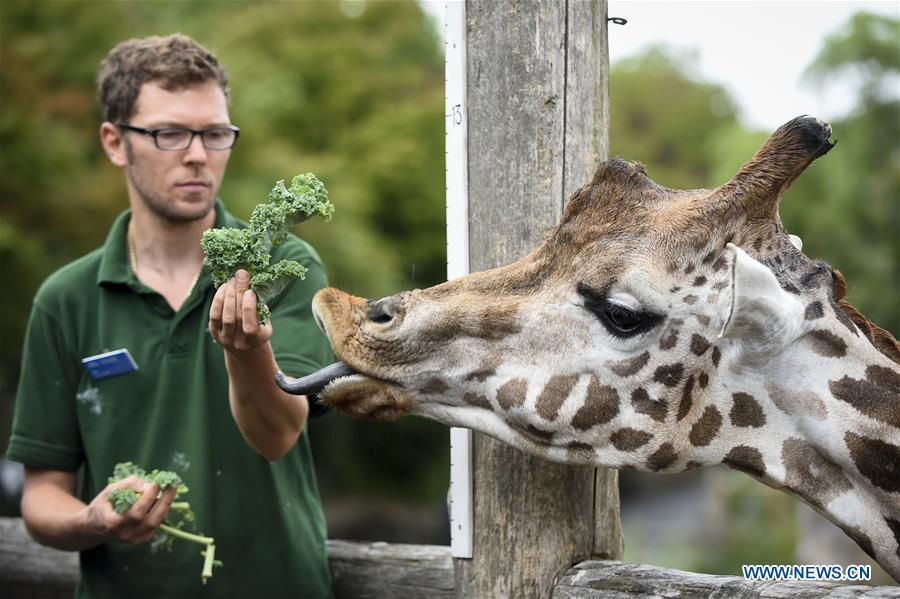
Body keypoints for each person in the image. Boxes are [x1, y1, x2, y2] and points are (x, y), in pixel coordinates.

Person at [6, 34, 334, 598]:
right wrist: (94, 521)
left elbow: (279, 434)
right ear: (115, 142)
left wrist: (247, 350)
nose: (198, 154)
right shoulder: (67, 299)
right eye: (169, 133)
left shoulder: (285, 265)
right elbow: (41, 498)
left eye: (214, 133)